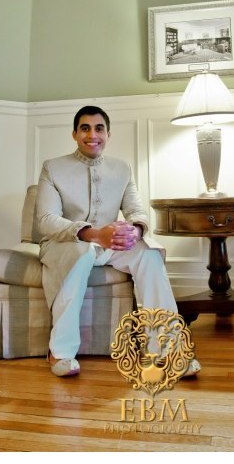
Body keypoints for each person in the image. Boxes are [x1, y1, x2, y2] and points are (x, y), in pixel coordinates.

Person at [36, 105, 201, 378]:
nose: (92, 135)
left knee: (149, 253)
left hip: (107, 244)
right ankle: (60, 352)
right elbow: (46, 220)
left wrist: (135, 230)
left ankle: (168, 350)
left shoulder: (122, 169)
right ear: (74, 134)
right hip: (64, 244)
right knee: (81, 254)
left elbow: (136, 210)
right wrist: (93, 234)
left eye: (99, 128)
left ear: (108, 134)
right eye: (85, 128)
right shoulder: (52, 168)